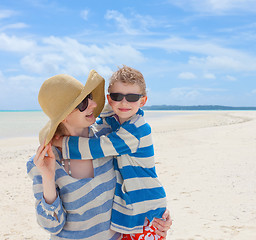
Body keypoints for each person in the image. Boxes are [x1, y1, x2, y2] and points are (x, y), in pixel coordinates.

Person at [27, 70, 171, 240]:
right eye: (82, 104)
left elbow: (138, 173)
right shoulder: (46, 161)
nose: (93, 105)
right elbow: (51, 225)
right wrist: (48, 177)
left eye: (89, 97)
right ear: (63, 116)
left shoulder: (108, 136)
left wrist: (156, 211)